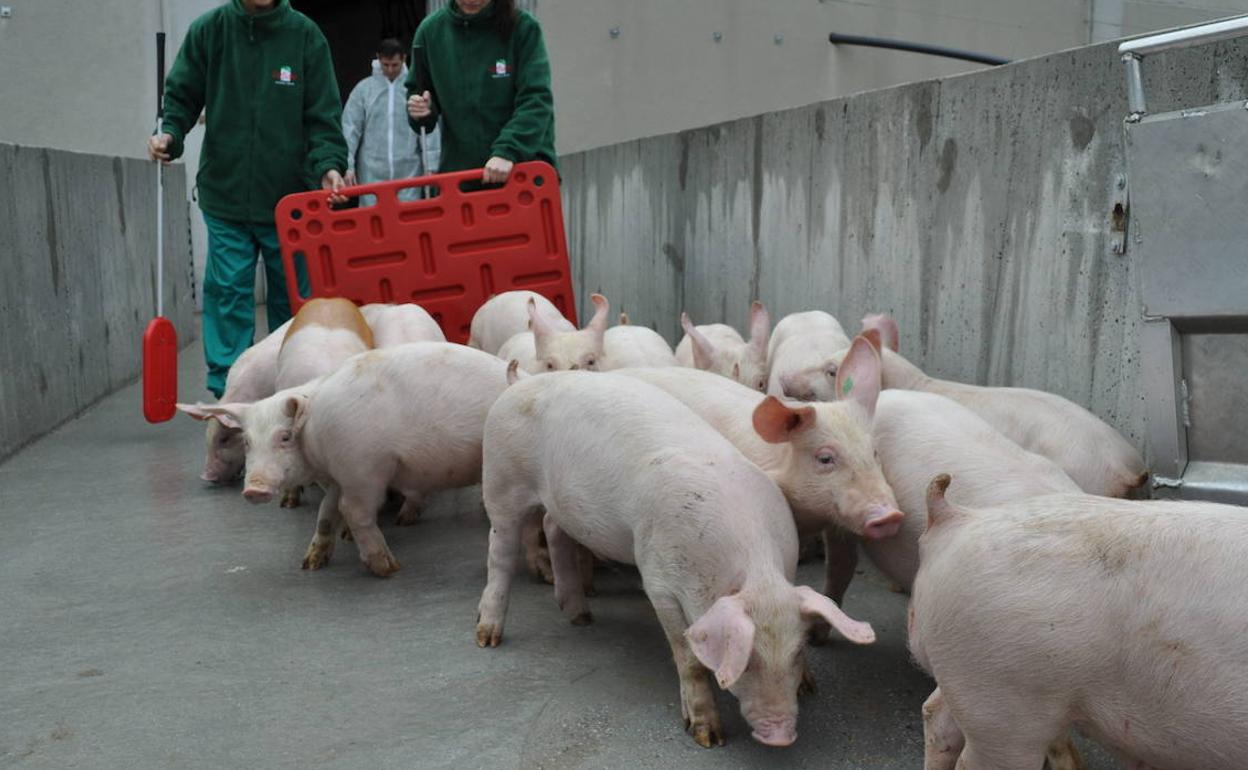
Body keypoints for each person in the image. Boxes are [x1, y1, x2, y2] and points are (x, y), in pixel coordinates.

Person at [147, 0, 349, 399]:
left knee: (291, 299)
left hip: (290, 199)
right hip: (227, 192)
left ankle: (292, 388)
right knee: (227, 293)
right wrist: (170, 134)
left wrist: (329, 164)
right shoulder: (211, 31)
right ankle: (231, 394)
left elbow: (323, 115)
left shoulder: (305, 35)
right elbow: (182, 96)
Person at [405, 0, 555, 185]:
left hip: (522, 170)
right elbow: (419, 94)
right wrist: (421, 110)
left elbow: (536, 99)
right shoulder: (430, 32)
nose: (471, 0)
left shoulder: (523, 28)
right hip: (463, 175)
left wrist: (508, 151)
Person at [343, 38, 441, 204]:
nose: (389, 70)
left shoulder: (413, 89)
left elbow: (429, 131)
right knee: (372, 221)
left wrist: (431, 166)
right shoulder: (364, 90)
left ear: (403, 59)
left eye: (394, 65)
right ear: (378, 59)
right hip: (371, 173)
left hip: (409, 172)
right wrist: (347, 165)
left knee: (408, 220)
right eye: (385, 64)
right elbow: (350, 129)